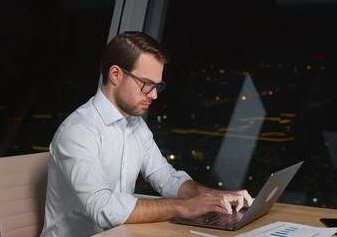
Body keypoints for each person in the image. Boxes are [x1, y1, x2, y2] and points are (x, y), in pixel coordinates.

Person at [40, 31, 253, 237]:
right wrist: (184, 207)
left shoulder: (136, 126)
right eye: (146, 84)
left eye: (156, 86)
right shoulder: (79, 131)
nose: (153, 95)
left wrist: (215, 197)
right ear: (116, 75)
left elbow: (167, 179)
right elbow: (104, 208)